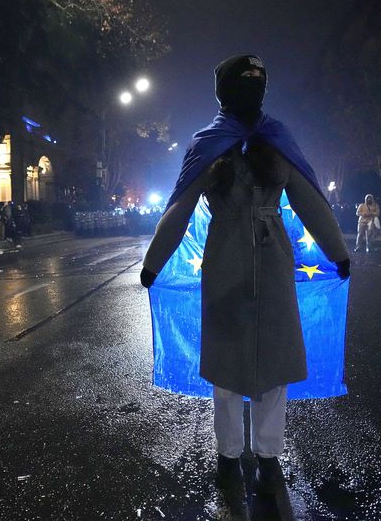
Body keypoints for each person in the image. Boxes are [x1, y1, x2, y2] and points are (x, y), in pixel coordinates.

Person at [139, 55, 350, 510]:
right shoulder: (207, 143)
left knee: (275, 369)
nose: (253, 86)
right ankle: (228, 458)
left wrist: (338, 252)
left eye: (259, 80)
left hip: (275, 262)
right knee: (227, 369)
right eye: (244, 80)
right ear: (224, 89)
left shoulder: (279, 139)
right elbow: (178, 208)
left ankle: (269, 458)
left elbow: (311, 201)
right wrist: (154, 262)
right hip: (226, 260)